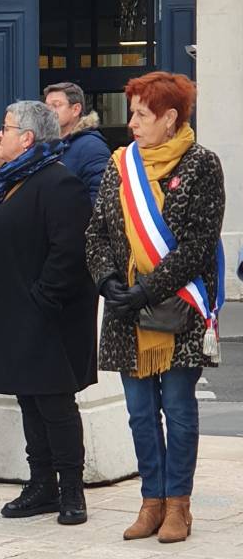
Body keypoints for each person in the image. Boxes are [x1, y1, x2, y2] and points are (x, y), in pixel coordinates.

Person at [85, 72, 225, 545]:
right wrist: (106, 279)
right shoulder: (119, 164)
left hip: (179, 308)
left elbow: (198, 245)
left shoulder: (202, 165)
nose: (132, 124)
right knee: (140, 413)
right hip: (127, 312)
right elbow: (97, 232)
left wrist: (148, 289)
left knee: (179, 409)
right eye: (132, 114)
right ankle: (151, 501)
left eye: (142, 115)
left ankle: (178, 505)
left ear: (170, 118)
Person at [0, 100, 97, 526]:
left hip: (47, 318)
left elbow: (69, 251)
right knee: (29, 400)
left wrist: (42, 300)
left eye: (6, 127)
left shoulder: (59, 183)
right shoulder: (11, 180)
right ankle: (42, 485)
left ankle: (71, 490)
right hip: (13, 314)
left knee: (54, 403)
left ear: (28, 138)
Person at [44, 82, 110, 203]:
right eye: (47, 106)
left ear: (76, 109)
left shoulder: (92, 146)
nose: (49, 111)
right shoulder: (46, 146)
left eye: (56, 105)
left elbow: (101, 198)